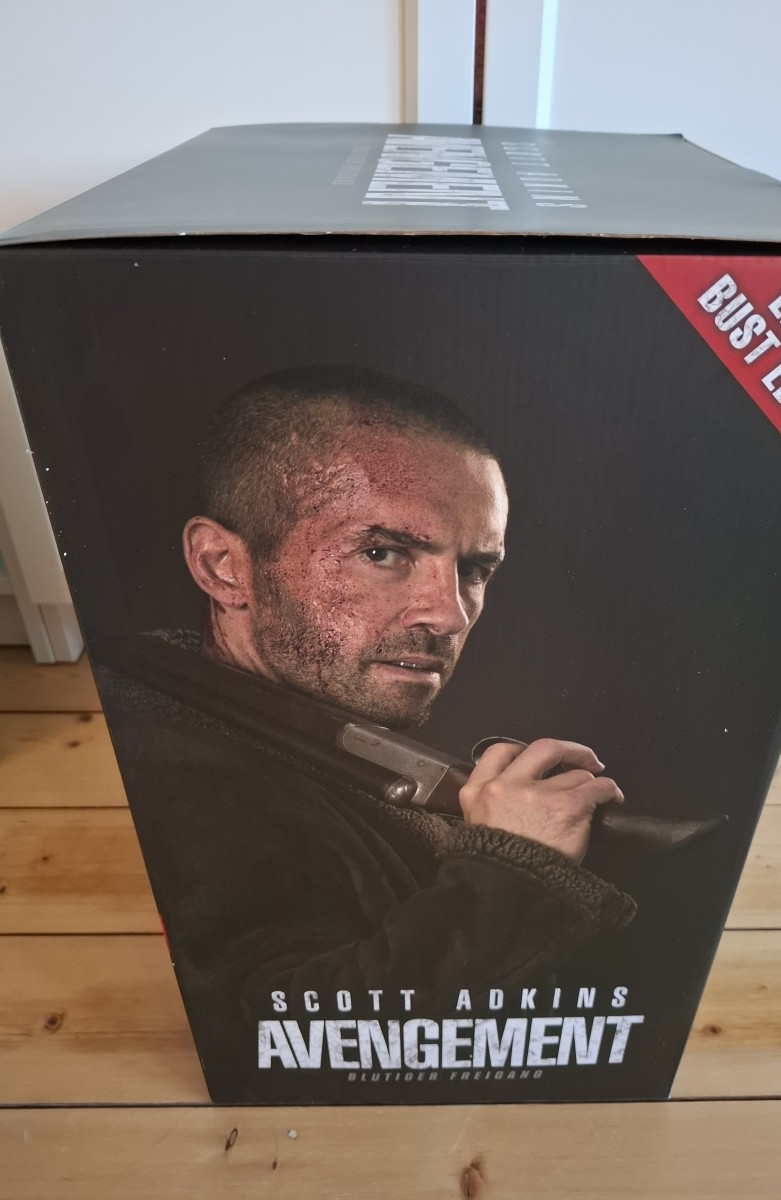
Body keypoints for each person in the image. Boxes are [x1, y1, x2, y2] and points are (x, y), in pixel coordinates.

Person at [103, 366, 636, 1101]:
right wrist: (515, 871)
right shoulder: (169, 765)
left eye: (474, 568)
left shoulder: (291, 722)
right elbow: (267, 1043)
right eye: (383, 552)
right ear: (223, 567)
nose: (448, 614)